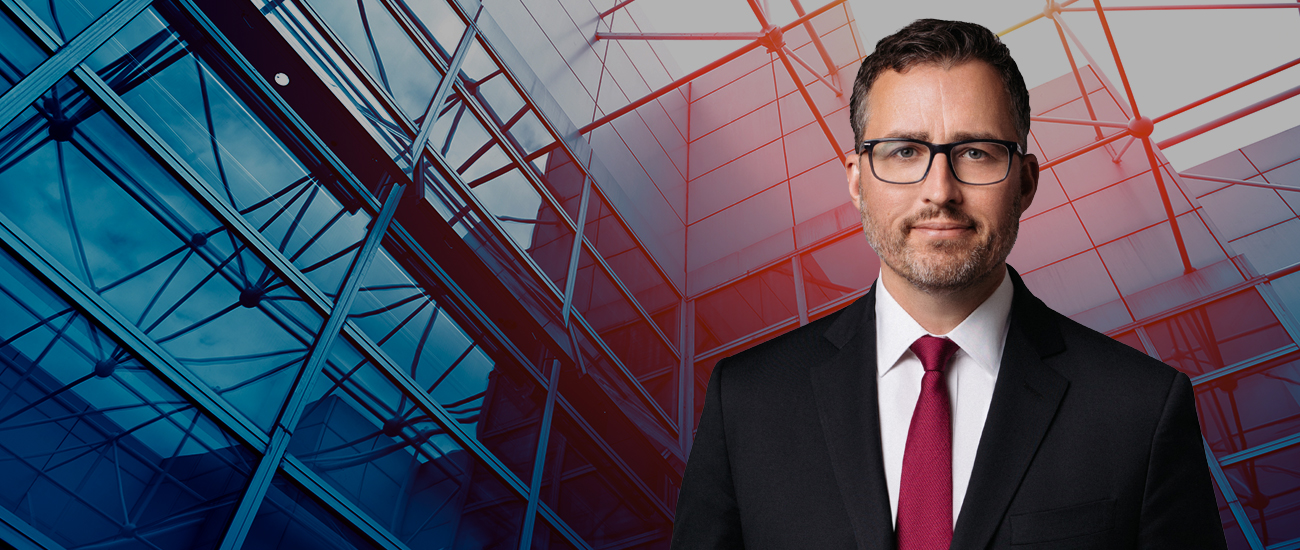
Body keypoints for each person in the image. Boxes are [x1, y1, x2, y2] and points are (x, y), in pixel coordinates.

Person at [670, 18, 1227, 550]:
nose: (940, 190)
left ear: (1027, 181)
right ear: (857, 181)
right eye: (905, 151)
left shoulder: (1139, 408)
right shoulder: (747, 401)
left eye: (976, 153)